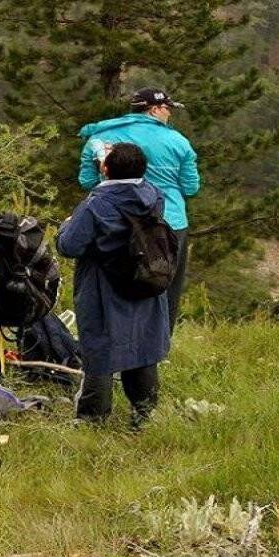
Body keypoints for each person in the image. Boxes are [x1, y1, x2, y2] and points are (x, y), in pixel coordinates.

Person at [59, 143, 170, 428]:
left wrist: (65, 225)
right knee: (143, 343)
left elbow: (70, 246)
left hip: (103, 284)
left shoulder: (96, 205)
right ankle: (145, 411)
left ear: (105, 168)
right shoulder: (154, 196)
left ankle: (92, 417)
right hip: (145, 278)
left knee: (99, 345)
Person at [78, 87, 200, 331]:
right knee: (164, 285)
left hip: (113, 221)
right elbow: (191, 187)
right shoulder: (178, 142)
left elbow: (87, 181)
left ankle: (117, 337)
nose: (169, 115)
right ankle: (159, 346)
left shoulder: (98, 138)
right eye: (167, 109)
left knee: (115, 284)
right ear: (154, 109)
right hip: (168, 223)